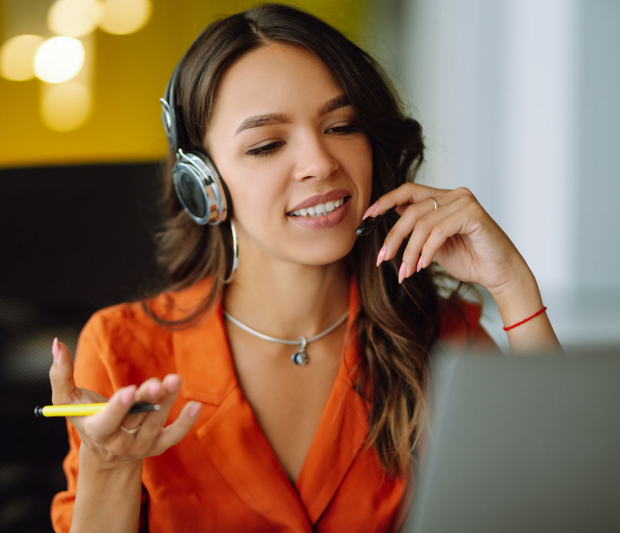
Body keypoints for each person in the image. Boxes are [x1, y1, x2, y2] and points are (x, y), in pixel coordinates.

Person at [48, 3, 561, 532]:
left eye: (342, 125)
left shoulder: (439, 332)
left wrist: (513, 286)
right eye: (267, 144)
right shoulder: (121, 350)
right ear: (204, 184)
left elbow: (562, 502)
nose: (320, 163)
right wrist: (109, 464)